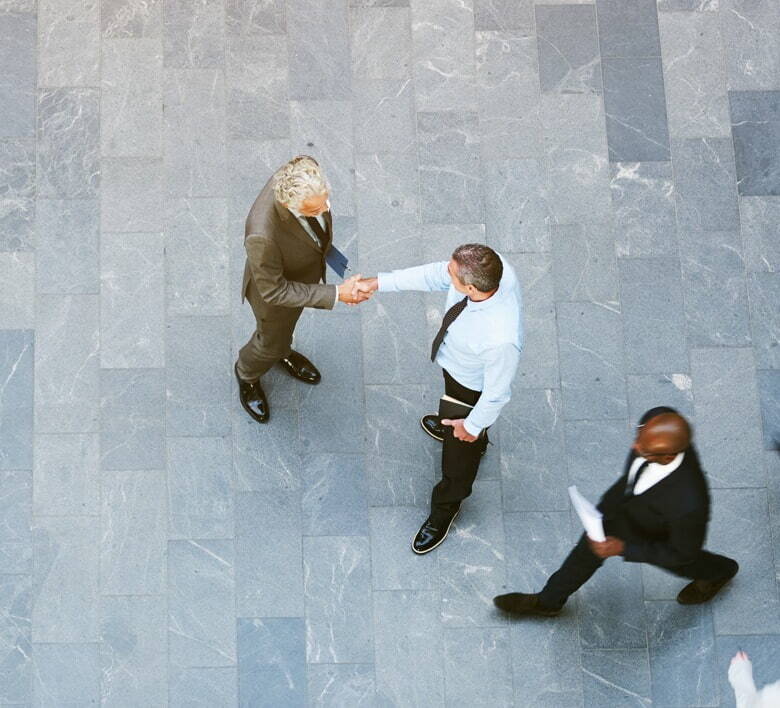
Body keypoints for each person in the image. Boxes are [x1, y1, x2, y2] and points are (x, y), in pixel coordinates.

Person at [355, 244, 523, 553]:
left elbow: (496, 394)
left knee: (459, 457)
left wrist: (471, 426)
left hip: (472, 390)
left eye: (452, 274)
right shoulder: (490, 271)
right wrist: (377, 282)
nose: (445, 272)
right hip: (457, 369)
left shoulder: (500, 339)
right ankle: (460, 430)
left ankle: (445, 508)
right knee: (453, 413)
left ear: (470, 287)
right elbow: (434, 275)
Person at [494, 407, 739, 616]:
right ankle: (548, 602)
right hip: (621, 510)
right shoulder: (657, 420)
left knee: (684, 563)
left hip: (657, 530)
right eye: (639, 437)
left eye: (643, 448)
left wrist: (623, 548)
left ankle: (721, 571)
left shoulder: (689, 502)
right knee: (585, 552)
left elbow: (682, 553)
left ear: (668, 456)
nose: (635, 446)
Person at [235, 156, 370, 423]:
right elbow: (274, 291)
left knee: (285, 333)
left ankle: (283, 352)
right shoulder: (261, 235)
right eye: (313, 212)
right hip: (274, 299)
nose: (323, 211)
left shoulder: (304, 168)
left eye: (325, 203)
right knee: (268, 341)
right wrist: (336, 294)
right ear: (288, 204)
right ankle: (247, 373)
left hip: (300, 274)